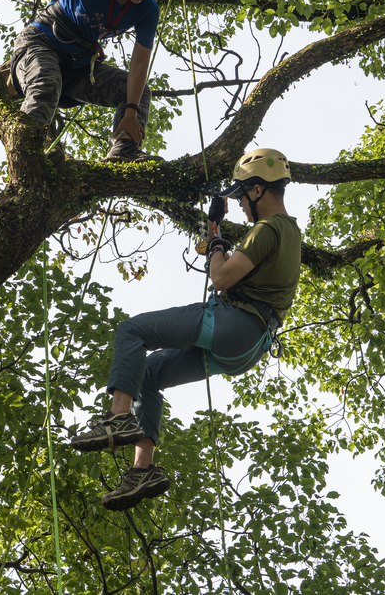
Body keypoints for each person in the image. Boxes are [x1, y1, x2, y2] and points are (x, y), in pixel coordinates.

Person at [69, 148, 301, 509]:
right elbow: (234, 264)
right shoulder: (290, 234)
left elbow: (222, 277)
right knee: (145, 376)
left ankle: (117, 419)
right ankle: (142, 471)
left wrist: (217, 250)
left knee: (132, 331)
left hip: (234, 324)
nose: (240, 203)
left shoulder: (269, 228)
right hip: (247, 348)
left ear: (257, 191)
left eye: (241, 195)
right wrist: (216, 231)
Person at [9, 0, 169, 162]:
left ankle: (123, 149)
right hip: (41, 42)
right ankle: (27, 153)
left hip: (78, 65)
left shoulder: (148, 10)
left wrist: (131, 111)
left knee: (138, 92)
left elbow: (140, 62)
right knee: (45, 83)